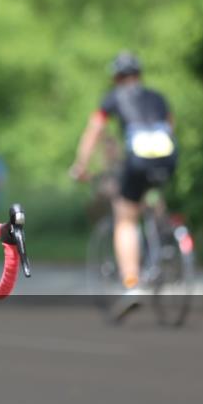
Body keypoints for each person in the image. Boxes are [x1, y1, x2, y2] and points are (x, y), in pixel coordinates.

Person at [70, 51, 177, 317]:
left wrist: (81, 165)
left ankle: (132, 283)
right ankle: (165, 238)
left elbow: (94, 130)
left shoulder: (114, 97)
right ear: (139, 75)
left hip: (138, 159)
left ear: (116, 78)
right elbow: (170, 127)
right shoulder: (157, 97)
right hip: (167, 158)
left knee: (126, 218)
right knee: (151, 194)